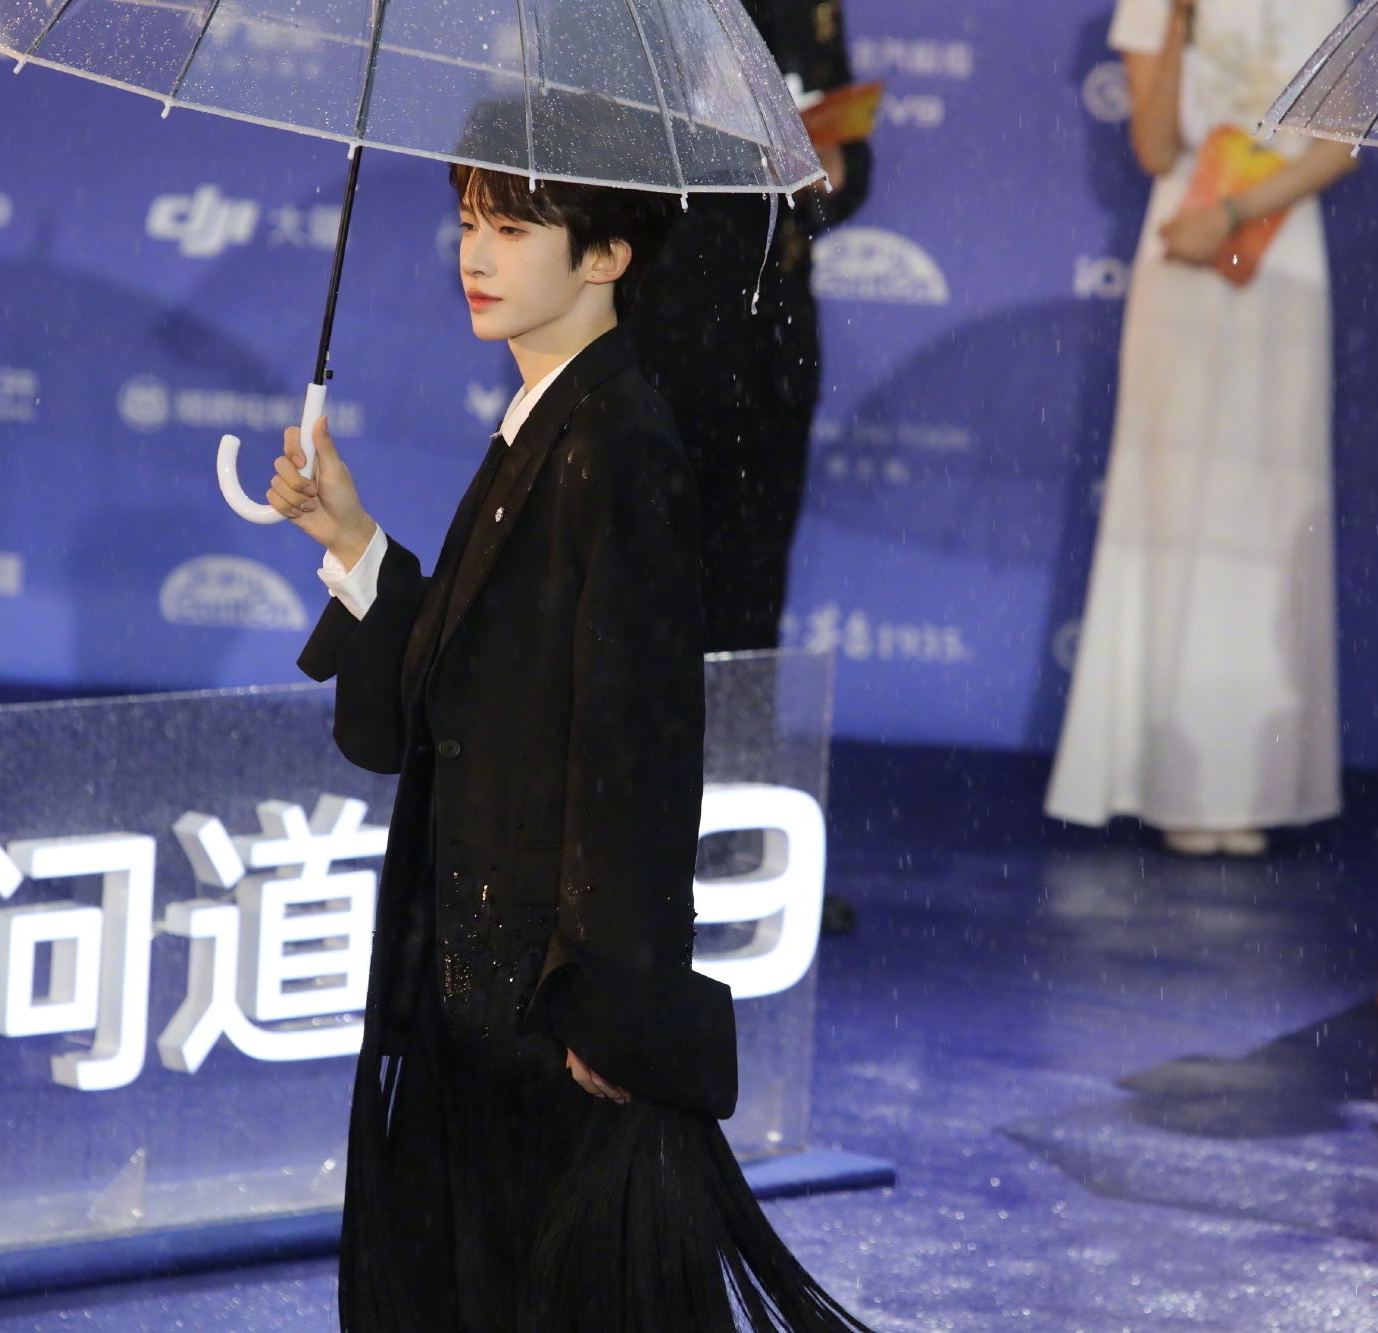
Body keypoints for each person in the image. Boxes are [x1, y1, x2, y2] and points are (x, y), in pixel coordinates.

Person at [269, 165, 875, 1333]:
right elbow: (476, 683)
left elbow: (636, 749)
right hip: (483, 988)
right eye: (467, 223)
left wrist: (610, 1000)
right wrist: (350, 540)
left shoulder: (618, 443)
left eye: (511, 228)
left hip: (549, 1013)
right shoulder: (543, 424)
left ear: (605, 256)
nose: (475, 255)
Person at [1044, 0, 1353, 856]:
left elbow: (1339, 147)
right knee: (1174, 506)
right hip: (1181, 244)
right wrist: (1176, 23)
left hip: (1283, 255)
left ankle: (1253, 780)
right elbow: (1154, 149)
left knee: (1269, 515)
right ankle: (1163, 777)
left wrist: (1239, 209)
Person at [626, 0, 871, 653]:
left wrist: (827, 171)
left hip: (772, 354)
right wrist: (716, 134)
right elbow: (589, 152)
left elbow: (848, 162)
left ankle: (738, 725)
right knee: (640, 604)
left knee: (750, 611)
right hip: (656, 342)